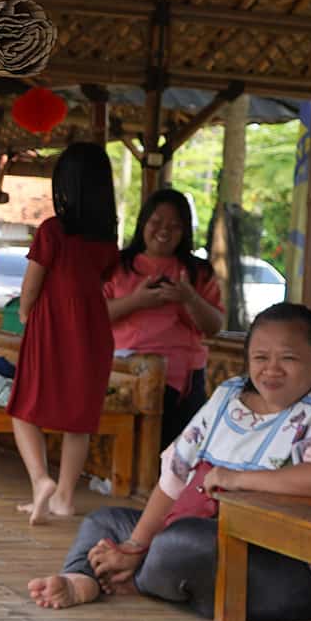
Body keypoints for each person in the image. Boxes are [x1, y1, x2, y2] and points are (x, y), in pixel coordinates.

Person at [26, 302, 311, 621]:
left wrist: (236, 478)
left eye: (288, 358)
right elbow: (176, 475)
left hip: (292, 572)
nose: (271, 369)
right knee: (105, 521)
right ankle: (83, 581)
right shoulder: (229, 395)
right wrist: (134, 545)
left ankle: (127, 575)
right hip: (204, 535)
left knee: (181, 544)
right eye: (260, 357)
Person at [5, 142, 120, 524]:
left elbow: (32, 283)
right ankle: (65, 498)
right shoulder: (107, 239)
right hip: (93, 332)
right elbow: (100, 280)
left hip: (51, 327)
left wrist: (23, 314)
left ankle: (41, 480)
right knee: (80, 418)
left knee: (24, 409)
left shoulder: (52, 230)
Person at [105, 189, 225, 446]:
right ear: (143, 223)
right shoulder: (117, 265)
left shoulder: (198, 271)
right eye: (156, 222)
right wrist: (136, 301)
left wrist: (189, 298)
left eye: (175, 225)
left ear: (185, 232)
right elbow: (91, 317)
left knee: (174, 453)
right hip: (123, 374)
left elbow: (214, 326)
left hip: (183, 379)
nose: (164, 230)